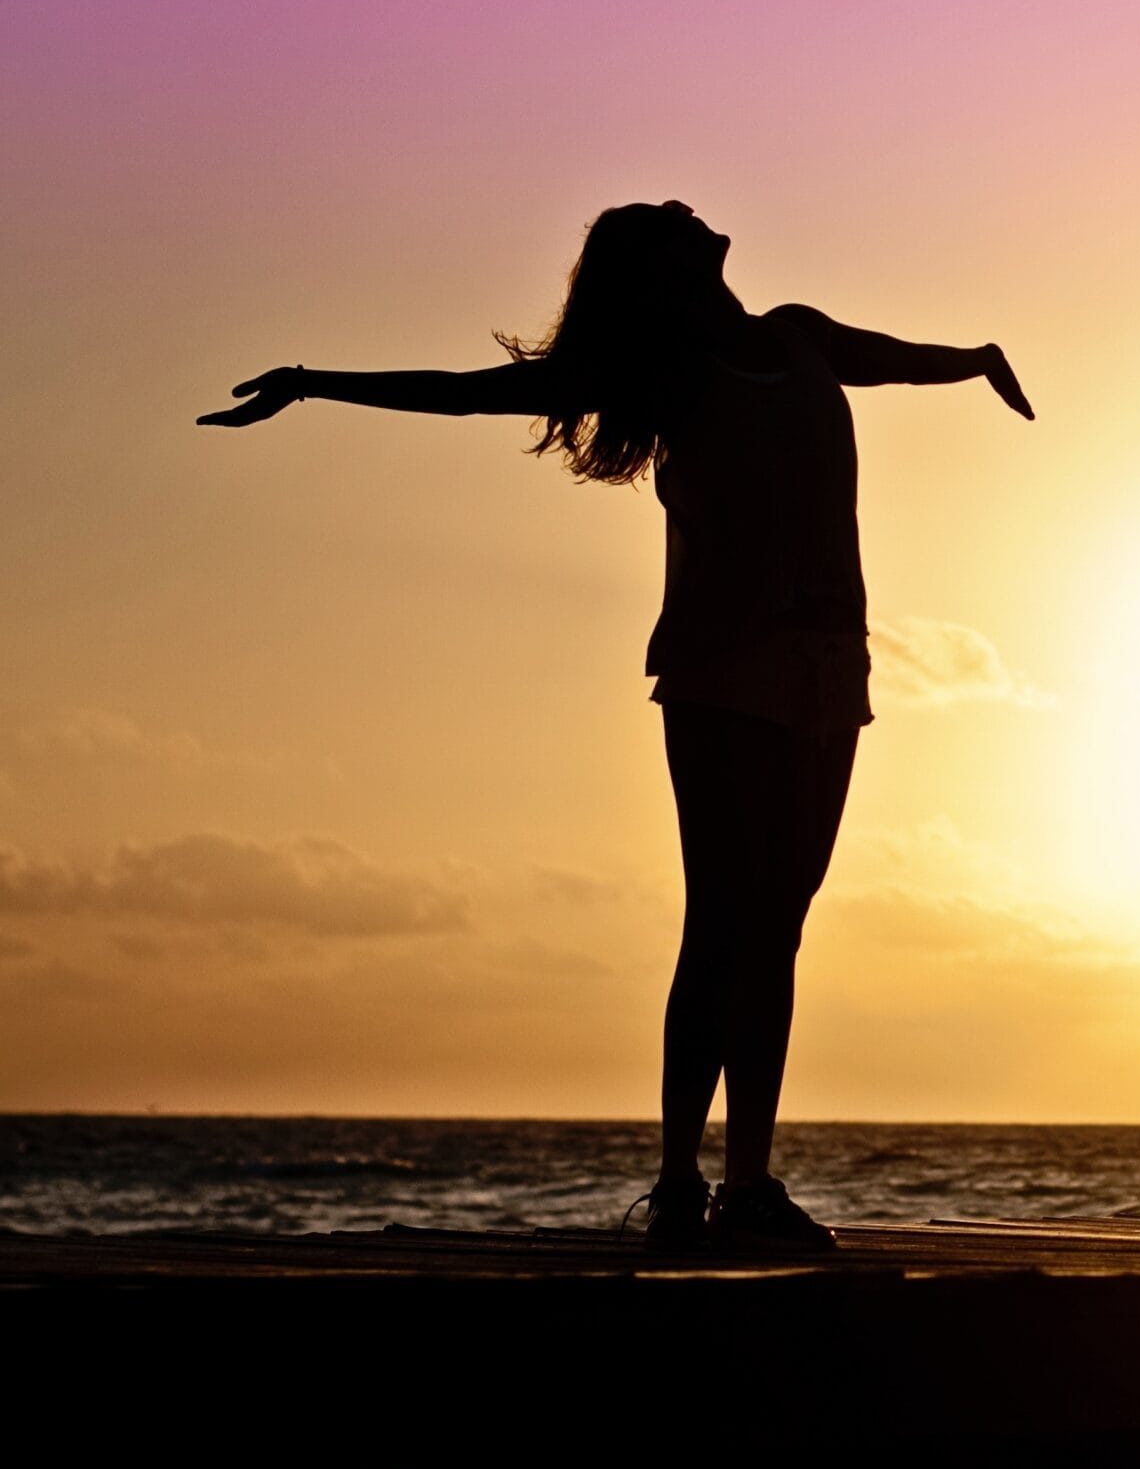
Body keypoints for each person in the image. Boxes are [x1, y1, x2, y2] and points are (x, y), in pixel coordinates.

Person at [200, 199, 1033, 1252]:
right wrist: (315, 383)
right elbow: (471, 396)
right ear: (663, 274)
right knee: (728, 923)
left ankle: (735, 1184)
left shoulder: (797, 336)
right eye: (666, 223)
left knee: (775, 927)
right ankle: (699, 1182)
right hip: (724, 670)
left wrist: (977, 358)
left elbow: (898, 360)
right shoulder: (670, 372)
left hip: (833, 671)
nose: (692, 213)